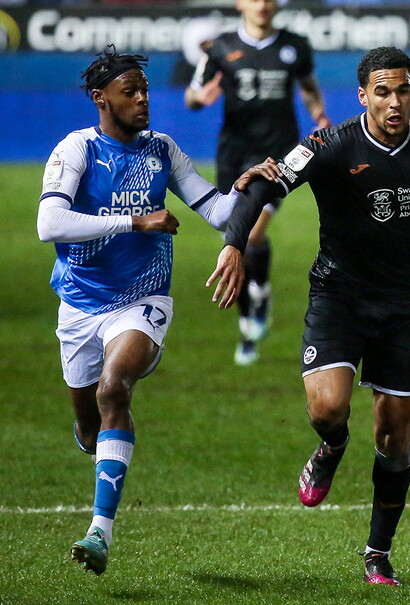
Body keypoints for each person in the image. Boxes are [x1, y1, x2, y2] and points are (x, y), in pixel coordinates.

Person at [207, 46, 410, 586]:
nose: (394, 101)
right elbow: (267, 182)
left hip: (404, 303)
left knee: (394, 435)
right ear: (364, 96)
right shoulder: (333, 144)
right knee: (329, 410)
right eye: (382, 91)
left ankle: (377, 554)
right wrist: (236, 243)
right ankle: (331, 447)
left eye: (403, 89)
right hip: (338, 296)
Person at [38, 46, 268, 576]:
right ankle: (95, 439)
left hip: (143, 300)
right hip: (79, 304)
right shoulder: (75, 150)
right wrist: (135, 222)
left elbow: (216, 212)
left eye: (144, 90)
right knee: (90, 427)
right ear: (101, 100)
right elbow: (50, 224)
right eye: (130, 92)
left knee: (115, 386)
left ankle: (99, 532)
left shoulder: (161, 149)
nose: (144, 100)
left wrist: (251, 187)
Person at [185, 0, 331, 366]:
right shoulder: (219, 47)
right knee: (236, 242)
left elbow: (308, 86)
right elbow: (192, 93)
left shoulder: (294, 45)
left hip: (278, 156)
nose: (263, 5)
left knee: (248, 235)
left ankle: (253, 312)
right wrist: (198, 99)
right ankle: (251, 313)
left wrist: (319, 114)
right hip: (233, 157)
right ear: (240, 3)